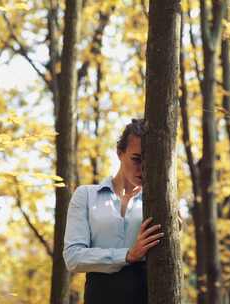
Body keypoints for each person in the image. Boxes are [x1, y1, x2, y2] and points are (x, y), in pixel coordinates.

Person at [63, 118, 163, 304]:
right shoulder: (86, 195)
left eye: (149, 161)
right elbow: (73, 257)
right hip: (99, 296)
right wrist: (128, 255)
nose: (143, 168)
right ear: (119, 153)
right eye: (136, 159)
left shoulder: (158, 202)